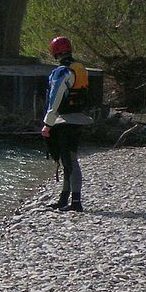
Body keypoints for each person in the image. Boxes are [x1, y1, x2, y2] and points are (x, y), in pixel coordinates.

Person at [41, 36, 92, 212]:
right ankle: (68, 199)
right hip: (79, 118)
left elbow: (55, 99)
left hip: (64, 121)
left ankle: (72, 201)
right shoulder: (80, 69)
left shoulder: (62, 72)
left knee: (67, 160)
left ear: (55, 52)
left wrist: (47, 123)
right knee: (71, 158)